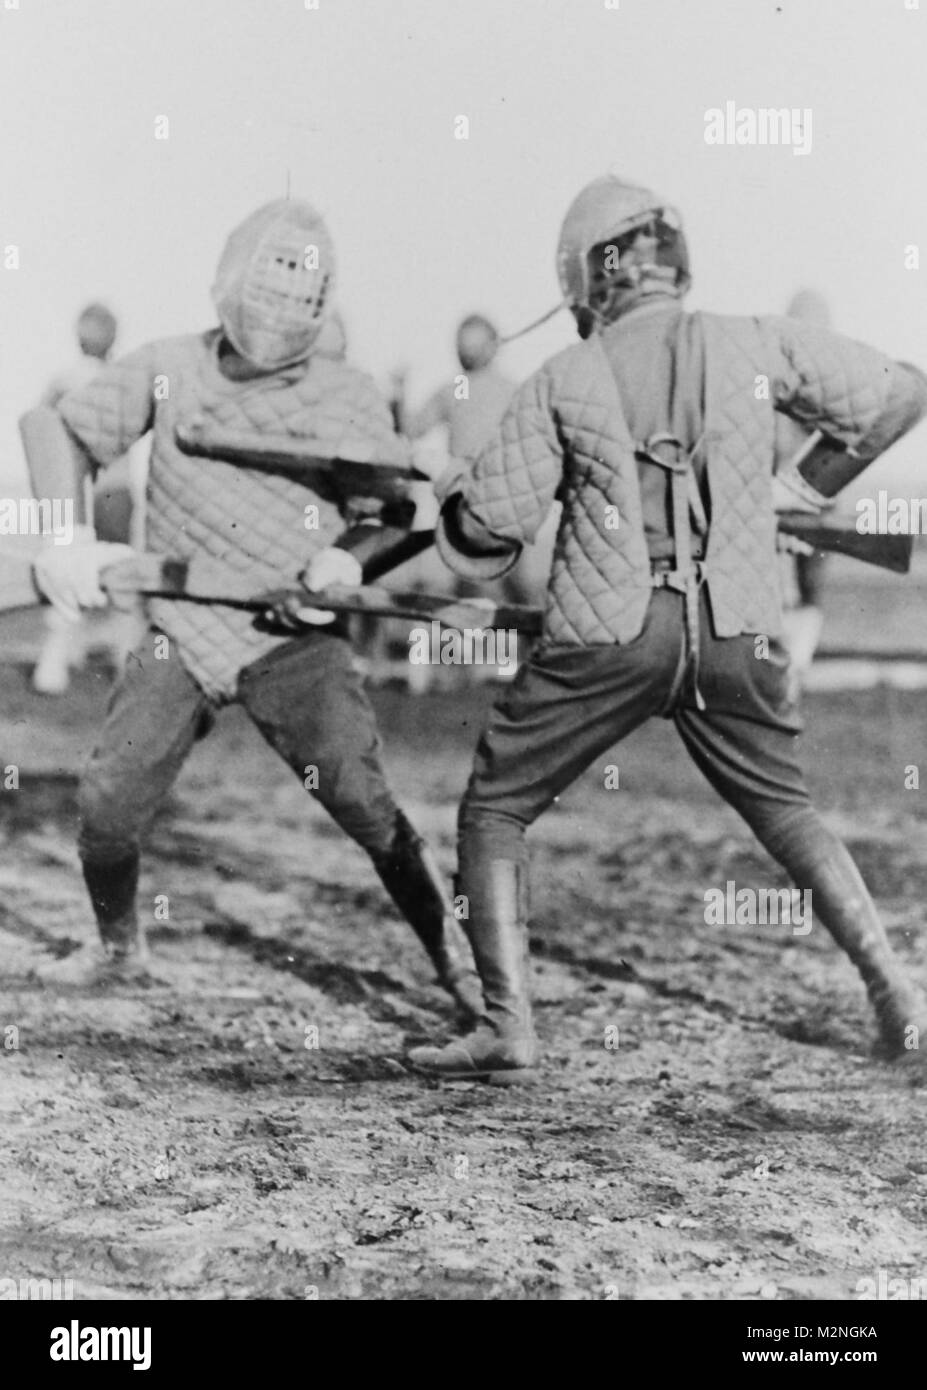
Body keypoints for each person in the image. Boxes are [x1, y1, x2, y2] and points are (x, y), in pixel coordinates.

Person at [409, 175, 927, 1082]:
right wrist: (802, 488)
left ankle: (508, 1029)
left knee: (495, 808)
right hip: (737, 630)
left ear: (586, 276)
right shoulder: (751, 341)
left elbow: (484, 536)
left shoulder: (563, 374)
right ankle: (897, 996)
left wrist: (443, 478)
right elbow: (900, 393)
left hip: (608, 635)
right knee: (786, 809)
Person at [19, 197, 480, 1018]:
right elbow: (53, 428)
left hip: (291, 638)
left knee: (359, 798)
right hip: (184, 630)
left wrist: (346, 556)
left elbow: (400, 511)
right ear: (226, 291)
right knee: (108, 803)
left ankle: (461, 969)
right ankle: (119, 947)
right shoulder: (169, 366)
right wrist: (65, 536)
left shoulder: (347, 395)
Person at [31, 303, 146, 694]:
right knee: (118, 578)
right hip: (112, 490)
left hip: (77, 493)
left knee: (65, 571)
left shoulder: (65, 379)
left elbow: (41, 430)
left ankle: (56, 665)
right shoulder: (123, 378)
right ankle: (119, 659)